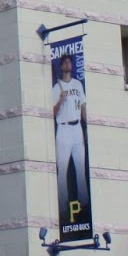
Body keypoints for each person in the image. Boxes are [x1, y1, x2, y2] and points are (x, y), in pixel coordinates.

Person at [52, 53, 88, 206]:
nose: (67, 65)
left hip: (77, 127)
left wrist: (86, 127)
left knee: (81, 167)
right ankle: (62, 203)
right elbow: (52, 112)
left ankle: (84, 200)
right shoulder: (56, 87)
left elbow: (83, 107)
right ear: (61, 66)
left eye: (69, 62)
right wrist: (61, 99)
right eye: (64, 62)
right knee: (62, 168)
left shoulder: (78, 84)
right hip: (64, 128)